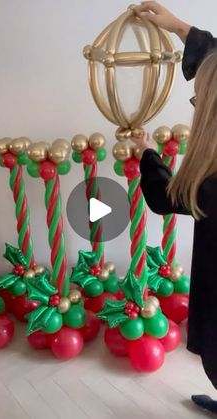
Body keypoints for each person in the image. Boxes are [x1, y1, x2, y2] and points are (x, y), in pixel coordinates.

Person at [134, 1, 217, 415]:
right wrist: (181, 29)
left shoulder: (210, 185)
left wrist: (147, 153)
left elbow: (162, 197)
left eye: (197, 100)